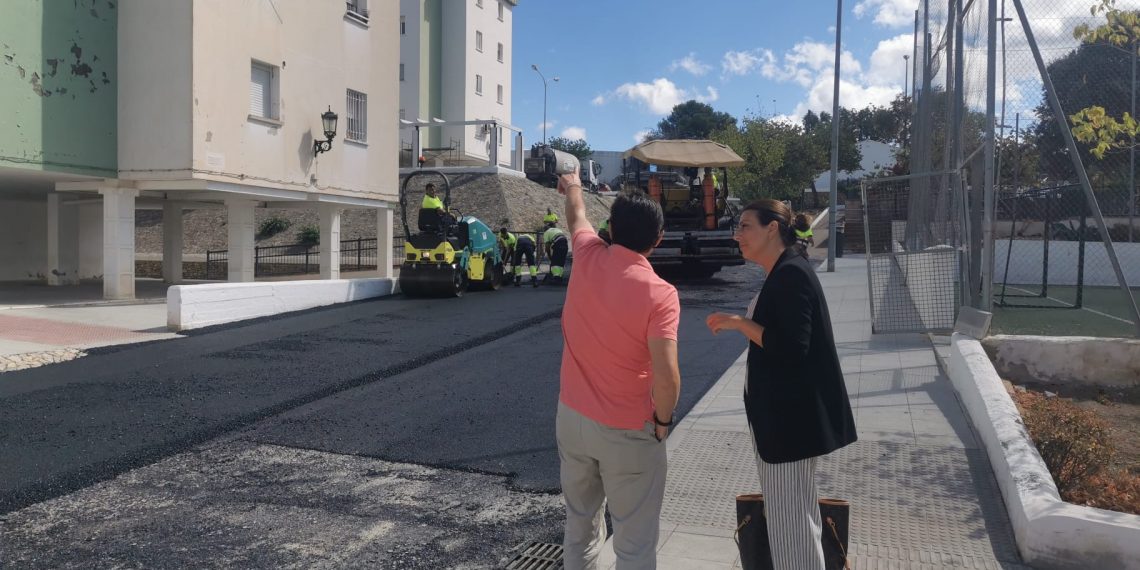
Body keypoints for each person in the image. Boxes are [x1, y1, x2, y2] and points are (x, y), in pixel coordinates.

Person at [705, 199, 856, 570]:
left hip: (789, 428)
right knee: (797, 520)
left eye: (745, 226)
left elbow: (790, 347)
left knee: (791, 528)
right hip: (785, 426)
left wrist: (740, 324)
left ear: (772, 228)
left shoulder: (790, 275)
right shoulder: (786, 270)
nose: (737, 235)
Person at [556, 168, 681, 569]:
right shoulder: (661, 294)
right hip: (628, 430)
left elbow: (576, 215)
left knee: (579, 526)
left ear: (610, 227)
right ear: (658, 240)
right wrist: (662, 422)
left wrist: (573, 184)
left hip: (572, 418)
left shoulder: (587, 255)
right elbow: (667, 376)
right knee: (634, 542)